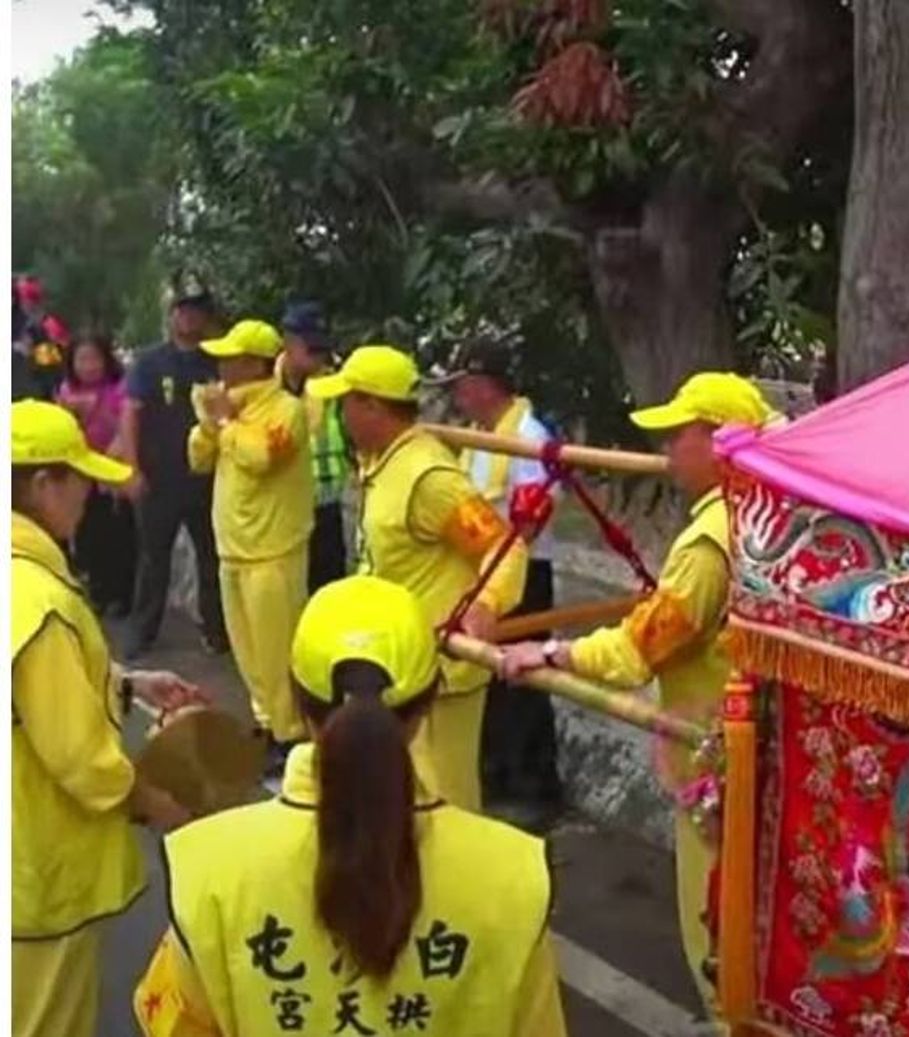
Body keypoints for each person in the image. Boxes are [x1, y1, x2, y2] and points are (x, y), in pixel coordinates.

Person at [132, 575, 567, 1037]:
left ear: (298, 701)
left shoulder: (207, 868)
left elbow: (175, 1026)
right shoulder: (513, 876)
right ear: (430, 701)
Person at [500, 371, 779, 1021]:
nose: (667, 451)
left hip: (716, 755)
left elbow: (635, 652)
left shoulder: (710, 544)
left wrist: (550, 650)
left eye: (679, 435)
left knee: (714, 920)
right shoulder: (767, 512)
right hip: (763, 747)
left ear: (718, 441)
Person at [12, 400, 205, 1037]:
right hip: (37, 869)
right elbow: (79, 758)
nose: (90, 496)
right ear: (43, 483)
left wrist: (124, 683)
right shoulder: (37, 599)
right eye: (81, 480)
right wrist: (153, 800)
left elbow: (33, 691)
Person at [308, 345, 527, 812]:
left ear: (370, 406)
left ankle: (462, 883)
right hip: (399, 665)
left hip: (440, 674)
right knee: (405, 797)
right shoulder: (385, 461)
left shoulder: (429, 477)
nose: (340, 416)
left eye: (345, 404)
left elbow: (503, 545)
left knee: (445, 802)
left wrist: (486, 603)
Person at [441, 337, 564, 817]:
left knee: (524, 679)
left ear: (485, 385)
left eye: (463, 386)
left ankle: (536, 787)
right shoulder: (478, 437)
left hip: (521, 573)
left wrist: (500, 576)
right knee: (490, 677)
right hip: (484, 574)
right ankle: (499, 772)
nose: (457, 397)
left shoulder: (526, 436)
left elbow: (531, 521)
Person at [188, 319, 315, 766]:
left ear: (253, 363)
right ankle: (265, 722)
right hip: (234, 549)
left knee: (277, 651)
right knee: (248, 651)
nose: (221, 366)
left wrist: (225, 421)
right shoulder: (229, 410)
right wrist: (209, 423)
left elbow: (262, 458)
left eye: (230, 358)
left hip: (273, 551)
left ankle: (291, 733)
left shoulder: (286, 409)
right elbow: (198, 459)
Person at [120, 290, 228, 658]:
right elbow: (131, 414)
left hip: (206, 478)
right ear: (172, 316)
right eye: (183, 311)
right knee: (153, 559)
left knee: (213, 557)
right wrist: (132, 468)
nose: (190, 318)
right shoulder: (149, 362)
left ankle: (217, 631)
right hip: (158, 475)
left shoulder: (218, 361)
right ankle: (142, 632)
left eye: (197, 312)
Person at [57, 333, 138, 615]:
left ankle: (122, 596)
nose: (88, 365)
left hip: (112, 471)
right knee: (87, 533)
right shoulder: (67, 391)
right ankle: (98, 592)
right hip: (81, 473)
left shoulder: (119, 389)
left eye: (94, 358)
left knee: (119, 533)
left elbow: (125, 429)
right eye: (82, 359)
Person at [278, 301, 352, 592]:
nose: (320, 356)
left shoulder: (335, 382)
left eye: (323, 348)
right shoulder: (263, 384)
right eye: (312, 348)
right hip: (281, 508)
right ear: (288, 343)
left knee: (329, 591)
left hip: (326, 506)